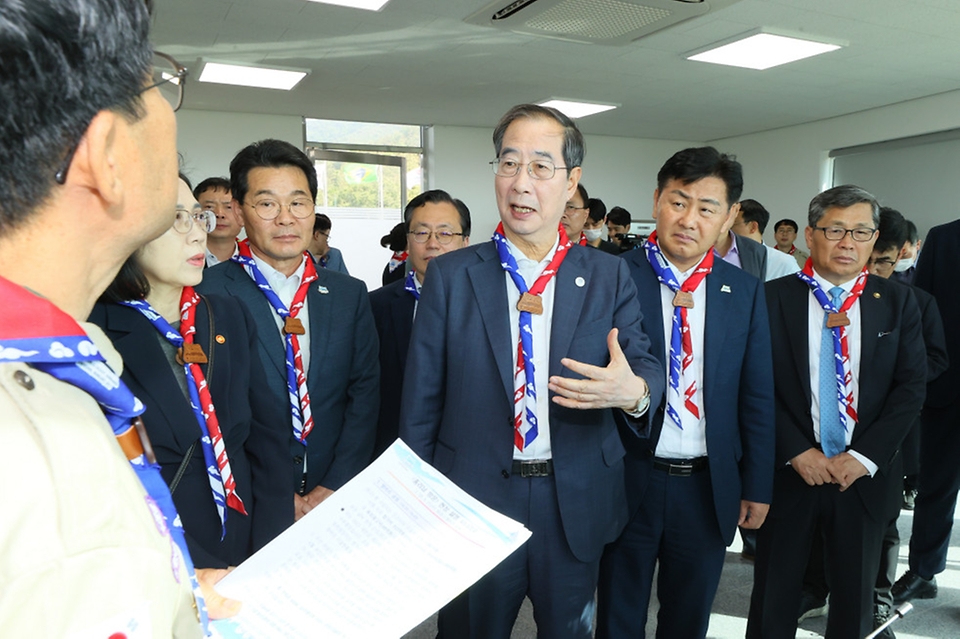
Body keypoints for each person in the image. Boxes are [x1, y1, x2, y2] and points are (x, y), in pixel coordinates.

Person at [0, 0, 232, 634]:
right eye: (154, 82)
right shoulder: (32, 452)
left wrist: (170, 592)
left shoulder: (68, 363)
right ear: (105, 154)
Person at [399, 104, 664, 638]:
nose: (521, 183)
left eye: (541, 167)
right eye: (508, 163)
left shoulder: (609, 273)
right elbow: (421, 399)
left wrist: (633, 393)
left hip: (573, 501)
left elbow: (646, 367)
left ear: (571, 184)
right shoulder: (451, 275)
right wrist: (418, 499)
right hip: (473, 499)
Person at [596, 146, 775, 639]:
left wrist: (756, 483)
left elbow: (756, 394)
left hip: (707, 484)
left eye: (707, 207)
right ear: (655, 200)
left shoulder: (743, 290)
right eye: (678, 201)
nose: (689, 219)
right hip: (628, 476)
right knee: (617, 613)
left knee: (689, 617)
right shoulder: (610, 276)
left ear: (730, 216)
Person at [747, 185, 926, 639]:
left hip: (863, 477)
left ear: (875, 238)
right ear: (810, 234)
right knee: (774, 596)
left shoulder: (900, 302)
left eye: (861, 232)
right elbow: (755, 386)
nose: (848, 242)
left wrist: (863, 457)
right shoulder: (769, 299)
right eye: (836, 230)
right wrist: (796, 450)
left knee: (855, 603)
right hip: (790, 474)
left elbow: (910, 388)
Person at [91, 175, 293, 569]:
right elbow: (102, 482)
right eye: (176, 219)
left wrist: (270, 548)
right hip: (158, 556)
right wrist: (194, 570)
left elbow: (268, 441)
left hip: (245, 540)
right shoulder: (93, 330)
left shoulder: (227, 315)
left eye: (198, 217)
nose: (198, 234)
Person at [198, 138, 379, 522]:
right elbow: (209, 409)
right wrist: (278, 495)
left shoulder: (349, 293)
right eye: (267, 204)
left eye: (298, 203)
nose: (286, 218)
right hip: (247, 499)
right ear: (239, 211)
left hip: (334, 496)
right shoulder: (204, 294)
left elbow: (364, 394)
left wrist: (334, 484)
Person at [890, 216, 960, 608]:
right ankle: (923, 571)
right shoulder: (945, 237)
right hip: (949, 385)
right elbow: (923, 309)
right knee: (936, 485)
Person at [369, 189, 470, 459]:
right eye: (421, 233)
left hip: (468, 460)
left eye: (445, 233)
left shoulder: (490, 306)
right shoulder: (374, 307)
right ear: (408, 241)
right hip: (394, 455)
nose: (433, 244)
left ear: (465, 242)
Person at [733, 199, 800, 280]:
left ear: (753, 227)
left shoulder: (784, 263)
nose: (728, 230)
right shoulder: (726, 257)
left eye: (733, 224)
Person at [194, 176, 242, 267]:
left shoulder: (257, 261)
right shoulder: (180, 257)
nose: (219, 214)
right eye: (209, 207)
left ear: (243, 216)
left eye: (229, 207)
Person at [891, 219, 921, 285]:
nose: (898, 260)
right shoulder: (885, 263)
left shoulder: (929, 266)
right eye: (895, 254)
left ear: (917, 245)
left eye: (904, 254)